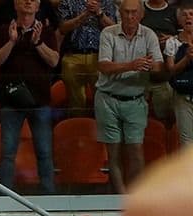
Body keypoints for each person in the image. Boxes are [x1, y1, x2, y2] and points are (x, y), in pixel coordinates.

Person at [0, 0, 60, 194]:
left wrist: (37, 43)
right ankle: (5, 198)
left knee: (44, 152)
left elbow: (54, 61)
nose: (28, 2)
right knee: (8, 153)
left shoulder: (46, 31)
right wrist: (11, 42)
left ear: (38, 7)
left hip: (40, 101)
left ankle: (49, 198)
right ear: (15, 4)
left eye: (33, 0)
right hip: (11, 101)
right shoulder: (4, 30)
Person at [95, 0, 162, 193]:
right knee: (113, 152)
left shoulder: (149, 35)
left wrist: (151, 66)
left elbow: (159, 65)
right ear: (119, 13)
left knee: (135, 150)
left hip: (135, 100)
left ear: (141, 14)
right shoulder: (108, 33)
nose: (130, 16)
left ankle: (135, 196)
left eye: (134, 12)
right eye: (126, 12)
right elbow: (104, 66)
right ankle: (120, 198)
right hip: (107, 98)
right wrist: (131, 65)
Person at [58, 0, 118, 112]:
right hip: (73, 56)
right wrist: (84, 15)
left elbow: (115, 29)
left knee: (103, 102)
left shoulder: (107, 2)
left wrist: (100, 13)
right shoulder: (67, 2)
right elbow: (62, 28)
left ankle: (101, 128)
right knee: (75, 104)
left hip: (100, 57)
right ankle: (77, 127)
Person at [166, 0, 193, 146]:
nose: (188, 17)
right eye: (185, 15)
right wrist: (187, 58)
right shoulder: (172, 42)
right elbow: (171, 70)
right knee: (187, 143)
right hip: (183, 97)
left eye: (192, 14)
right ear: (179, 19)